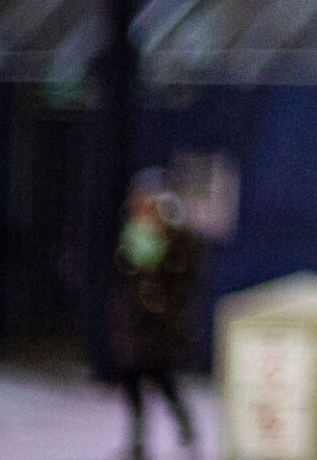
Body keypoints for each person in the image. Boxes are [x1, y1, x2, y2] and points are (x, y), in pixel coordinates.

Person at [113, 169, 200, 460]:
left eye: (148, 201)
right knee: (132, 380)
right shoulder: (132, 235)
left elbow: (185, 276)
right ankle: (137, 441)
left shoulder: (177, 239)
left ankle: (186, 431)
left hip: (161, 324)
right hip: (135, 323)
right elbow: (125, 274)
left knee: (163, 380)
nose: (142, 207)